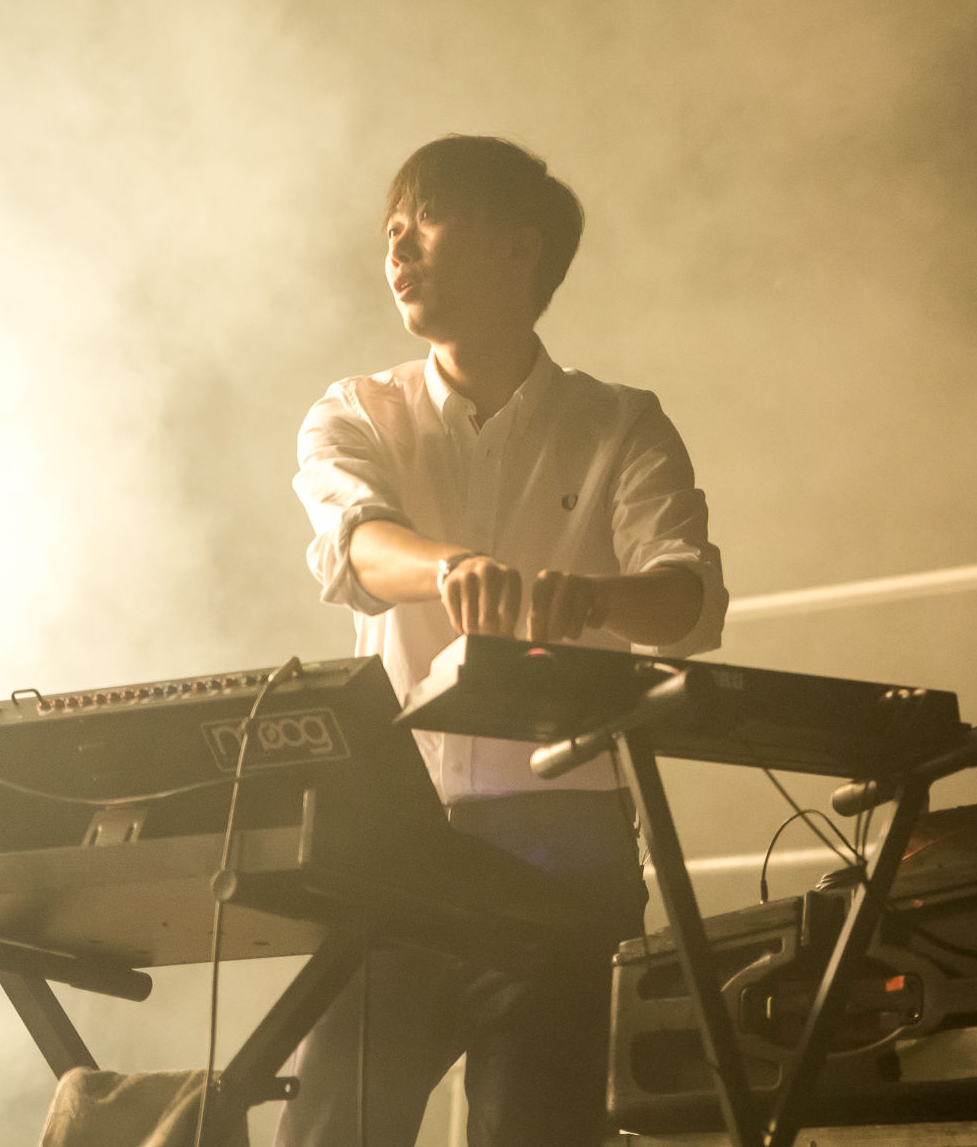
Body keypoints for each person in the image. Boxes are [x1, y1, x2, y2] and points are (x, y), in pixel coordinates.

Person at [278, 134, 727, 1147]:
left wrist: (601, 597)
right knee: (328, 1133)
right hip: (395, 839)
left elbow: (688, 600)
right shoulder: (356, 409)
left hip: (562, 848)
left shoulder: (621, 422)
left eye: (427, 217)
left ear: (520, 249)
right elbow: (354, 546)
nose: (397, 241)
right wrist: (448, 566)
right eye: (390, 225)